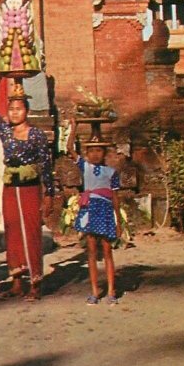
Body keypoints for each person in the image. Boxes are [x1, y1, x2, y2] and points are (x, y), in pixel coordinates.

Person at [0, 71, 54, 301]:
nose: (14, 113)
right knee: (13, 232)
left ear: (27, 111)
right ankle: (16, 281)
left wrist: (49, 195)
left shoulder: (37, 135)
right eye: (11, 109)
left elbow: (45, 165)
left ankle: (35, 282)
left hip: (31, 189)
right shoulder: (5, 131)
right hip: (10, 188)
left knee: (31, 232)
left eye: (19, 109)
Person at [67, 121, 121, 305]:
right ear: (87, 154)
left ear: (104, 153)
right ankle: (94, 290)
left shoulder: (111, 172)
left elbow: (114, 196)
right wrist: (73, 127)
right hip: (90, 210)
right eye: (91, 151)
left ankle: (112, 290)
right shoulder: (85, 167)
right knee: (91, 251)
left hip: (105, 212)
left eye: (99, 150)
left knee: (107, 251)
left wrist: (119, 221)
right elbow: (69, 147)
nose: (95, 154)